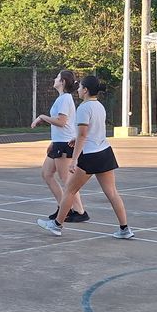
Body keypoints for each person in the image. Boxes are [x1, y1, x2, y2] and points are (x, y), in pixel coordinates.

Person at [37, 75, 132, 239]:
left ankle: (57, 225)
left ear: (86, 90)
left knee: (69, 190)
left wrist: (74, 160)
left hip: (90, 156)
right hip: (105, 152)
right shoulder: (99, 106)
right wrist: (76, 138)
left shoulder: (83, 108)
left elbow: (83, 135)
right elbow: (92, 131)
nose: (78, 90)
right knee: (112, 192)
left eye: (80, 87)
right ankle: (125, 229)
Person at [31, 70, 89, 223]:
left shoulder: (65, 99)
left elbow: (62, 122)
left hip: (64, 144)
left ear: (62, 82)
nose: (54, 79)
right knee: (46, 174)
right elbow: (65, 124)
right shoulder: (62, 98)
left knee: (67, 180)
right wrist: (53, 141)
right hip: (59, 142)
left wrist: (42, 117)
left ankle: (80, 211)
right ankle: (64, 207)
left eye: (57, 77)